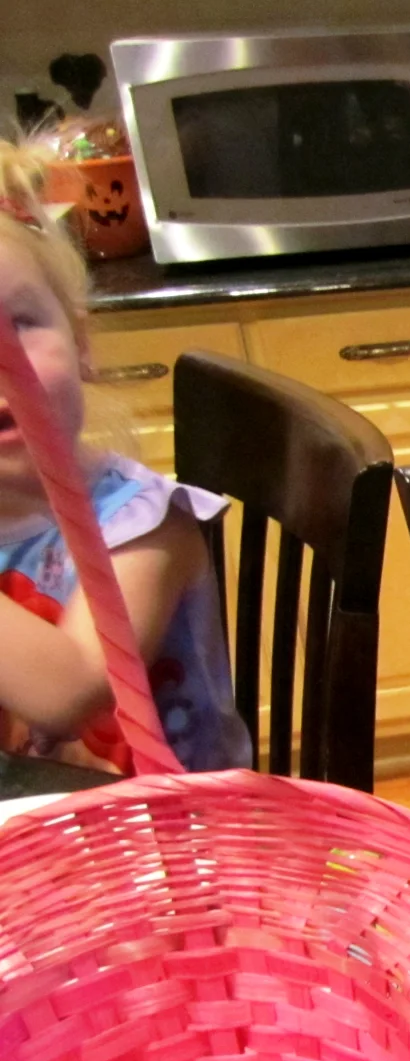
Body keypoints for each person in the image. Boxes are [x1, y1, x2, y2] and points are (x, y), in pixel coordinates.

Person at [0, 141, 250, 774]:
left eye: (18, 323)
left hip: (169, 825)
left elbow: (72, 692)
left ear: (81, 342)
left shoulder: (143, 524)